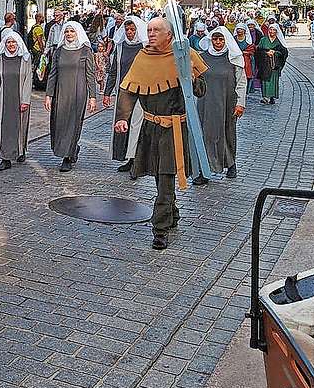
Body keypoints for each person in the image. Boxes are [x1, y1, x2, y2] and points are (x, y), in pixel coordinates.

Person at [114, 16, 207, 250]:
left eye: (156, 30)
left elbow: (201, 91)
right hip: (151, 127)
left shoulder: (185, 55)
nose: (152, 33)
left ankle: (160, 229)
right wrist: (122, 118)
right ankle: (172, 212)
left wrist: (189, 75)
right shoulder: (143, 57)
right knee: (160, 176)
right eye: (149, 29)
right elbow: (128, 89)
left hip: (174, 129)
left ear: (169, 34)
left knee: (165, 178)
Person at [194, 27, 246, 183]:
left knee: (227, 133)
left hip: (227, 102)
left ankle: (231, 163)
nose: (218, 42)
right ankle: (206, 169)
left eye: (221, 39)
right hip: (206, 104)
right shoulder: (202, 57)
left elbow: (242, 82)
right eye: (215, 39)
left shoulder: (234, 58)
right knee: (206, 135)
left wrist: (240, 103)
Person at [45, 22, 98, 172]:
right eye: (66, 31)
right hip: (60, 92)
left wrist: (92, 97)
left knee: (72, 124)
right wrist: (49, 95)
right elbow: (52, 74)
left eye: (72, 31)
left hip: (78, 93)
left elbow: (90, 75)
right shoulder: (59, 51)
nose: (69, 34)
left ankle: (67, 157)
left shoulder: (85, 51)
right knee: (60, 124)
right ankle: (73, 149)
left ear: (77, 33)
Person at [104, 15, 148, 172]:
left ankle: (136, 160)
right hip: (123, 93)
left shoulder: (145, 47)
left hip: (140, 93)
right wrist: (107, 92)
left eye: (132, 29)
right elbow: (114, 71)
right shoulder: (121, 46)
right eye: (127, 29)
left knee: (136, 125)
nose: (129, 32)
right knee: (123, 125)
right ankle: (128, 158)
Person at [0, 30, 32, 170]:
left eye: (13, 42)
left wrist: (25, 100)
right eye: (8, 42)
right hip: (4, 98)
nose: (11, 45)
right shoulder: (0, 58)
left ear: (18, 43)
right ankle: (5, 157)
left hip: (20, 97)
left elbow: (28, 79)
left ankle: (20, 151)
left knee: (19, 126)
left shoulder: (25, 58)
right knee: (3, 127)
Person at [255, 24, 288, 105]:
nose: (272, 32)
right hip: (265, 64)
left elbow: (284, 52)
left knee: (273, 80)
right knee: (265, 80)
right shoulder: (263, 40)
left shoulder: (279, 41)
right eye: (270, 30)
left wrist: (275, 53)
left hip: (274, 65)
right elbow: (258, 51)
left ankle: (272, 96)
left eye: (274, 30)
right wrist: (266, 52)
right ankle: (265, 97)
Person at [232, 23, 257, 95]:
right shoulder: (234, 39)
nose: (239, 31)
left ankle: (246, 91)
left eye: (241, 29)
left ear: (244, 30)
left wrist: (243, 52)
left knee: (246, 76)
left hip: (246, 61)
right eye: (238, 29)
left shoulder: (248, 39)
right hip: (235, 60)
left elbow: (251, 49)